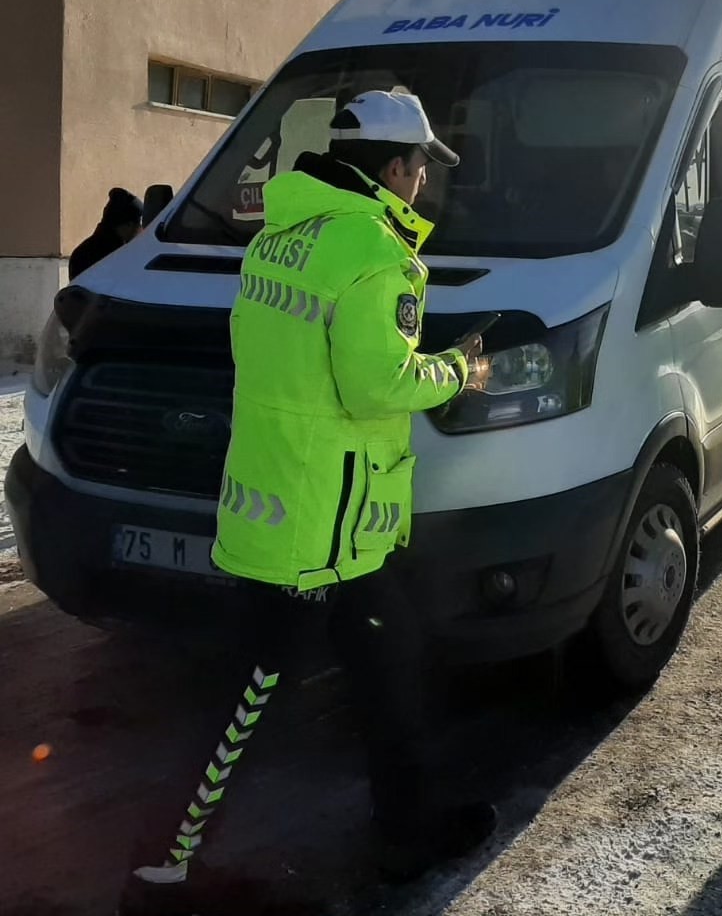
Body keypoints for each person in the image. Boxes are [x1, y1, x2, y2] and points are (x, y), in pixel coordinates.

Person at [120, 90, 495, 914]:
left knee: (386, 677)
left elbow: (295, 369)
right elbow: (374, 385)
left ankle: (409, 832)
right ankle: (163, 866)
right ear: (396, 168)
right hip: (327, 532)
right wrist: (456, 370)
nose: (426, 180)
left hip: (289, 504)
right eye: (423, 164)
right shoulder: (375, 250)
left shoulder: (281, 235)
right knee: (258, 698)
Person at [68, 186, 142, 279]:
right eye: (138, 226)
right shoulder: (120, 256)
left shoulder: (81, 252)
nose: (141, 231)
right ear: (128, 225)